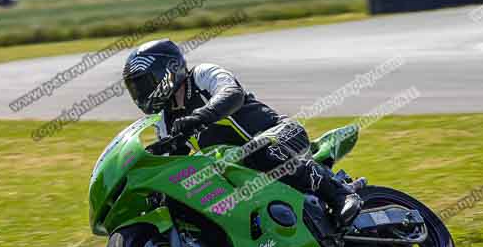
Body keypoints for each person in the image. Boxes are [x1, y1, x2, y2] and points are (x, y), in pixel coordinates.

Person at [122, 39, 363, 227]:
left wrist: (198, 117)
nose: (140, 94)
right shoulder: (164, 120)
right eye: (135, 89)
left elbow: (232, 94)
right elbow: (172, 163)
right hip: (236, 164)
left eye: (144, 84)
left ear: (168, 70)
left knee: (257, 150)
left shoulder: (202, 75)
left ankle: (340, 194)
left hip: (279, 133)